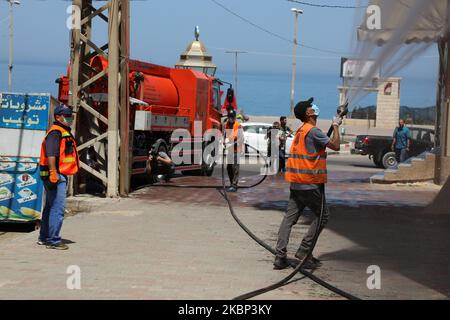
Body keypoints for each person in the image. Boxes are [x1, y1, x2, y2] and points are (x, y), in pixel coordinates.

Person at [273, 98, 342, 270]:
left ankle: (280, 256)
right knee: (323, 215)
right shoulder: (313, 130)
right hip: (310, 184)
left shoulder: (301, 130)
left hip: (296, 183)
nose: (314, 107)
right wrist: (336, 125)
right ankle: (304, 250)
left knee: (289, 219)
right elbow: (335, 145)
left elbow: (319, 144)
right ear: (308, 113)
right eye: (311, 106)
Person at [38, 105, 79, 250]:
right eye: (67, 116)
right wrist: (54, 172)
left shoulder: (61, 131)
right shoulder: (56, 132)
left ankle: (44, 237)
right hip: (56, 175)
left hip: (56, 174)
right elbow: (51, 153)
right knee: (57, 208)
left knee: (50, 206)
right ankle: (53, 240)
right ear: (58, 117)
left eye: (70, 116)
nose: (70, 118)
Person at [224, 109, 244, 192]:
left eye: (232, 117)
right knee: (229, 167)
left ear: (235, 117)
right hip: (230, 150)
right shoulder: (226, 125)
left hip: (236, 150)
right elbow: (225, 135)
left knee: (235, 168)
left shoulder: (238, 126)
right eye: (229, 117)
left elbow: (241, 139)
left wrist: (232, 144)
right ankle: (232, 183)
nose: (231, 119)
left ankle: (234, 185)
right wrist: (224, 142)